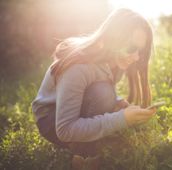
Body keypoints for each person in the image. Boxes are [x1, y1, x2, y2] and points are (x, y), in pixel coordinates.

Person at [31, 8, 156, 170]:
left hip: (72, 109)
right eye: (132, 48)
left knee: (106, 94)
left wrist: (117, 103)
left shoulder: (115, 59)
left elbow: (98, 86)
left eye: (141, 50)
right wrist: (122, 118)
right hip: (51, 120)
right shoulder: (78, 67)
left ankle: (92, 144)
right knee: (103, 94)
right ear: (114, 39)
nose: (137, 57)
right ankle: (85, 157)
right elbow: (64, 130)